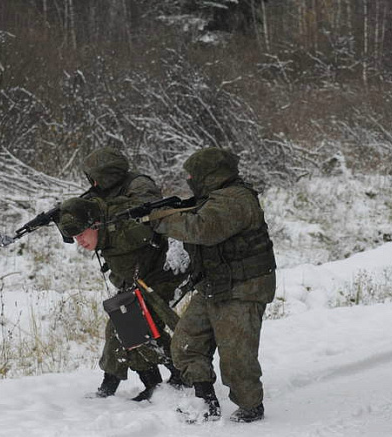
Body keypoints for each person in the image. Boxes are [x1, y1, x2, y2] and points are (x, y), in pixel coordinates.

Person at [150, 147, 276, 423]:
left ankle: (250, 407)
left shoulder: (236, 199)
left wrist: (161, 220)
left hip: (244, 287)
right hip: (213, 285)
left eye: (194, 174)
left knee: (236, 357)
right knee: (186, 344)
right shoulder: (212, 198)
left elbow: (203, 229)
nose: (190, 179)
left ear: (211, 174)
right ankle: (204, 400)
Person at [59, 147, 185, 401]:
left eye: (95, 177)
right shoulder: (100, 194)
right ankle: (144, 382)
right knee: (123, 326)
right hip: (134, 273)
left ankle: (179, 375)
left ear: (108, 174)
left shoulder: (139, 185)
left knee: (138, 326)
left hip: (160, 268)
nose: (92, 184)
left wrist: (99, 212)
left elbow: (141, 214)